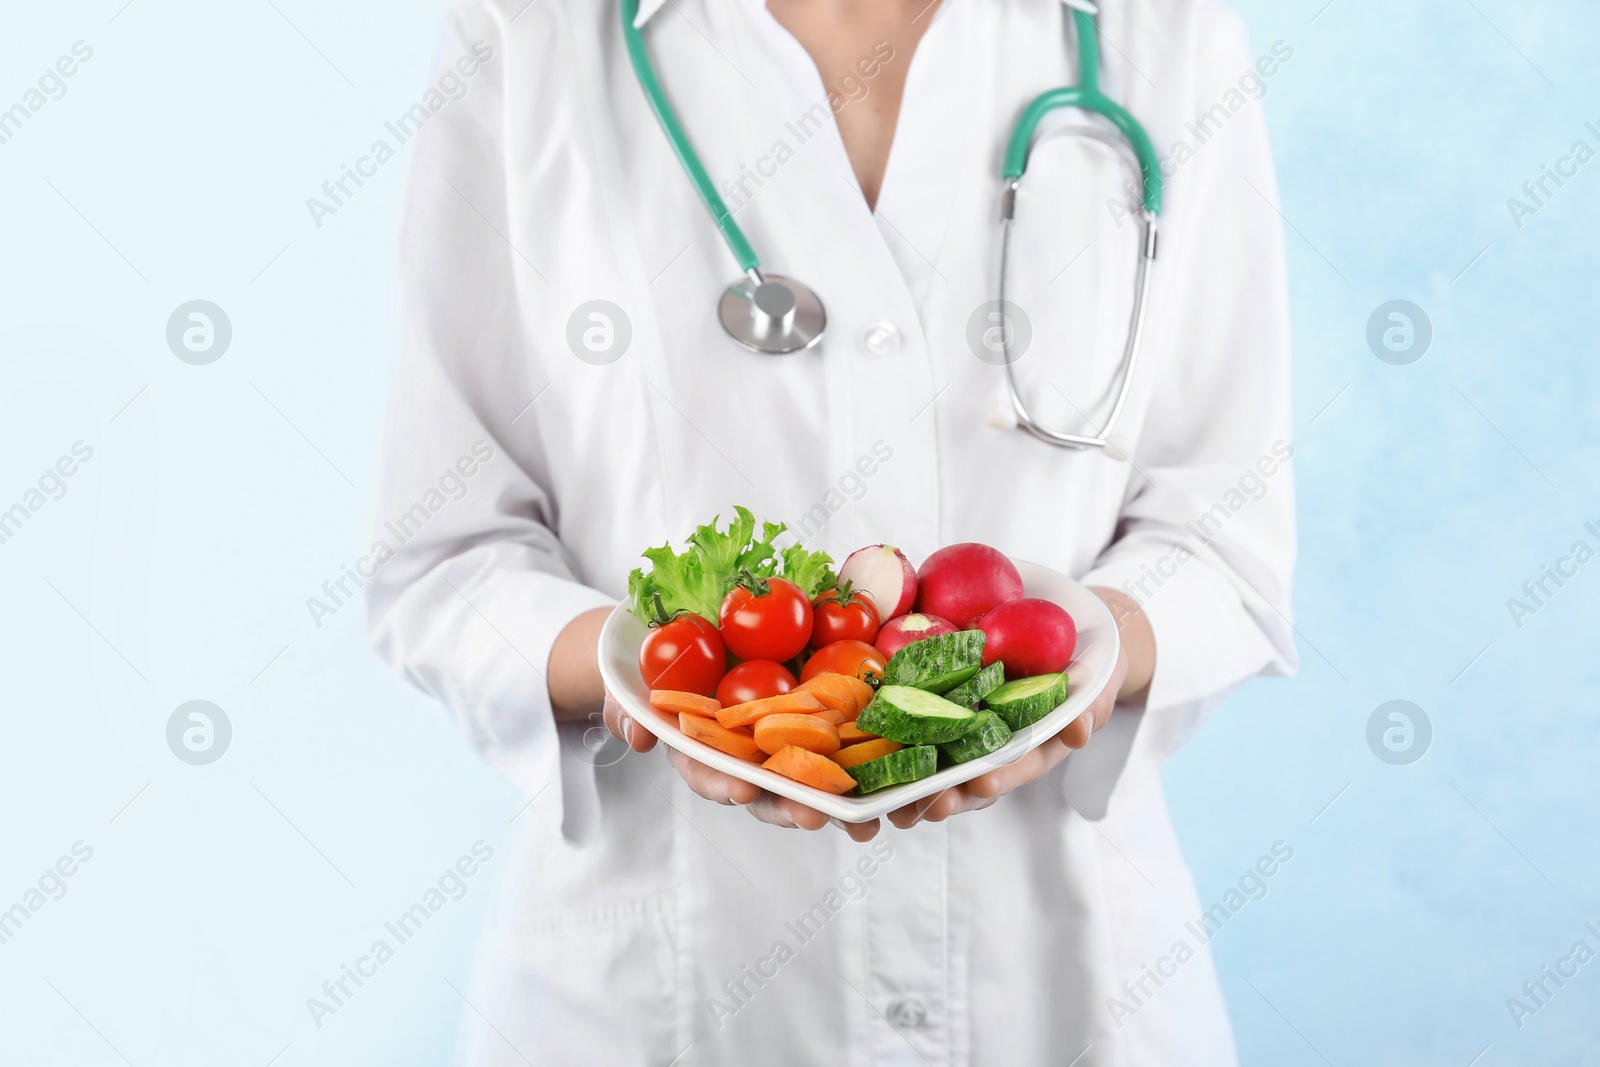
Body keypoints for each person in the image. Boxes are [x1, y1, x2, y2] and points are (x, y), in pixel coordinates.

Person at [365, 0, 1296, 1062]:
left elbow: (1226, 534)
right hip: (664, 991)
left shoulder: (1160, 32)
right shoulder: (529, 32)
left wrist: (1083, 653)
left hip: (1060, 982)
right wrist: (665, 686)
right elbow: (444, 558)